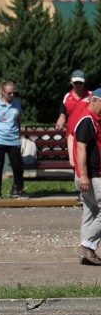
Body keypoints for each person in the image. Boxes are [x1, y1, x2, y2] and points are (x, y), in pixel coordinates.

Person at [72, 88, 101, 265]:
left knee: (90, 213)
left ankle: (87, 253)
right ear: (95, 101)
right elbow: (80, 148)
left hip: (91, 175)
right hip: (90, 176)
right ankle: (87, 244)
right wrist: (83, 175)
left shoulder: (95, 120)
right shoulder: (87, 120)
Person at [0, 80, 28, 199]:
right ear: (3, 92)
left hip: (13, 140)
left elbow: (19, 120)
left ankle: (17, 189)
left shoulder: (17, 104)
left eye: (13, 93)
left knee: (17, 166)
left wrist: (16, 132)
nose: (12, 95)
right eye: (9, 93)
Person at [55, 69, 91, 167]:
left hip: (88, 137)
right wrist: (60, 122)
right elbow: (62, 115)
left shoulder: (90, 96)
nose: (78, 85)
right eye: (76, 83)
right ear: (71, 81)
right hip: (72, 137)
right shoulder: (67, 97)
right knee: (75, 166)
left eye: (81, 83)